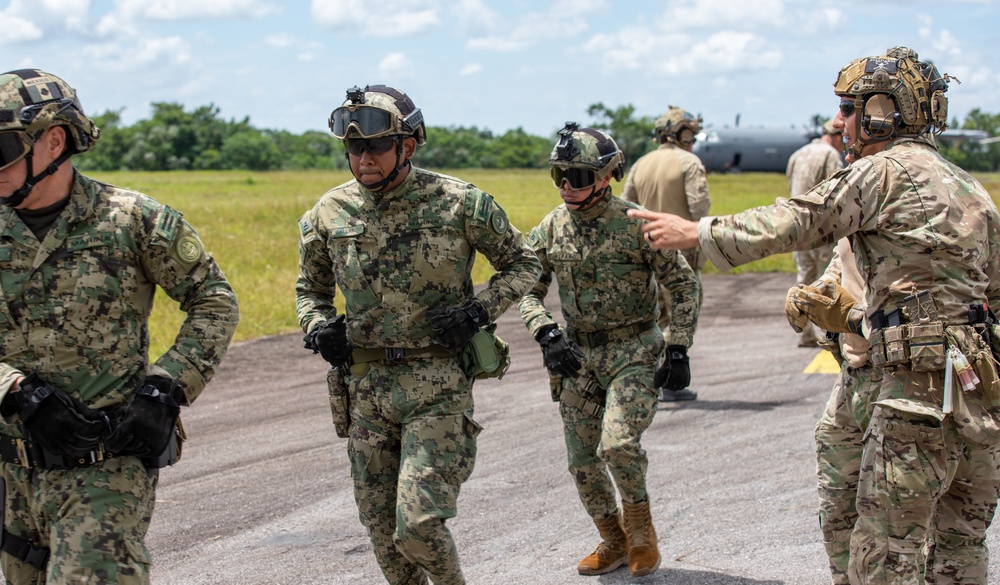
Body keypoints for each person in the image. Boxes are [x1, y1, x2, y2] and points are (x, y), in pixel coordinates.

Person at [629, 46, 1000, 584]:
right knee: (960, 545)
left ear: (884, 110)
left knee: (886, 555)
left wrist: (698, 233)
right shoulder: (972, 189)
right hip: (975, 394)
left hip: (911, 395)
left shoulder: (881, 172)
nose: (841, 122)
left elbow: (800, 219)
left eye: (850, 109)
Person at [0, 69, 240, 584]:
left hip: (106, 465)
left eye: (2, 148)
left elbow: (213, 300)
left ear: (54, 141)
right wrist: (15, 390)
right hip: (12, 471)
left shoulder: (131, 220)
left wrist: (165, 388)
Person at [295, 84, 540, 585]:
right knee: (384, 533)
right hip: (365, 392)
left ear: (406, 147)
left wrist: (478, 312)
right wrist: (319, 328)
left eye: (376, 147)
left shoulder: (460, 202)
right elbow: (310, 291)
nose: (363, 158)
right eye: (354, 147)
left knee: (420, 525)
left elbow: (524, 264)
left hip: (438, 385)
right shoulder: (328, 213)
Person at [519, 123, 699, 577]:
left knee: (618, 444)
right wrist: (545, 333)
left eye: (576, 176)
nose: (565, 186)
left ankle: (641, 534)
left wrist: (678, 347)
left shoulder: (635, 223)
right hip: (577, 358)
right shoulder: (551, 228)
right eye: (558, 175)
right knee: (581, 461)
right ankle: (613, 539)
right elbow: (524, 288)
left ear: (605, 177)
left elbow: (683, 284)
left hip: (633, 351)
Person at [787, 240, 880, 585]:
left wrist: (855, 318)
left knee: (893, 510)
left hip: (901, 382)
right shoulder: (855, 205)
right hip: (854, 375)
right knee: (837, 497)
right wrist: (813, 295)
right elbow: (840, 269)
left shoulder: (914, 210)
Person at [622, 106, 709, 401]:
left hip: (646, 247)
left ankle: (646, 379)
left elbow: (627, 206)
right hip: (681, 249)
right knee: (682, 314)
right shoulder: (690, 162)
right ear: (683, 133)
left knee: (653, 316)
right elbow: (699, 208)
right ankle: (670, 379)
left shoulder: (641, 164)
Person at [786, 119, 845, 347]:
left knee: (804, 278)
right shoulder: (830, 155)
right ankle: (824, 333)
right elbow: (837, 192)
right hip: (820, 229)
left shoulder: (798, 154)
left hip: (797, 228)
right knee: (824, 280)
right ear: (836, 136)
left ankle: (805, 332)